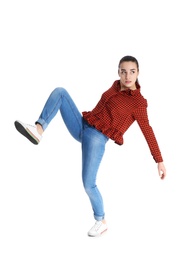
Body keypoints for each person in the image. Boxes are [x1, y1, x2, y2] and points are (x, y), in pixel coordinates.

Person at [14, 55, 166, 237]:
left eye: (132, 72)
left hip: (96, 138)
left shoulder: (138, 103)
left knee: (88, 184)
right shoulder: (115, 86)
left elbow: (147, 130)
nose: (127, 76)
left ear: (138, 73)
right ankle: (38, 129)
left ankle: (100, 220)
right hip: (82, 125)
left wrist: (159, 160)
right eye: (123, 71)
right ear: (118, 72)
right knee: (60, 92)